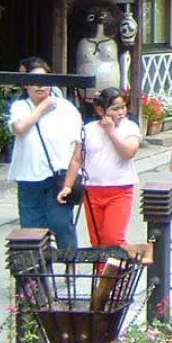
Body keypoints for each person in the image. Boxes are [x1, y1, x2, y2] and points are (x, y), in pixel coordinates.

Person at [7, 56, 83, 249]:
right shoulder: (20, 107)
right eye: (34, 83)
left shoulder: (66, 108)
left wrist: (70, 181)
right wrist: (41, 108)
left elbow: (77, 148)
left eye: (44, 82)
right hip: (28, 177)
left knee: (61, 224)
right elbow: (19, 128)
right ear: (26, 86)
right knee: (31, 230)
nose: (40, 87)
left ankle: (69, 268)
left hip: (57, 177)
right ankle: (37, 275)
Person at [59, 88, 142, 247]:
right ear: (100, 110)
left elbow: (128, 152)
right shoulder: (88, 129)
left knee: (113, 238)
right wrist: (68, 186)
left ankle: (116, 271)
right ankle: (102, 271)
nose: (121, 113)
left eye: (123, 107)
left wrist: (111, 132)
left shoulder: (129, 127)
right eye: (115, 109)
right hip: (93, 190)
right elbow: (77, 159)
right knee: (97, 240)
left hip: (120, 189)